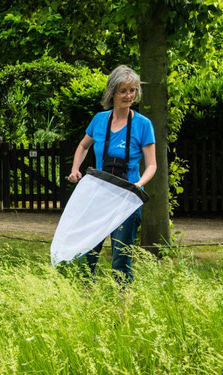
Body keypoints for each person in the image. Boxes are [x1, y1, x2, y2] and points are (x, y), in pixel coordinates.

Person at [67, 65, 157, 282]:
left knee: (121, 260)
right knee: (87, 255)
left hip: (127, 200)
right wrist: (74, 169)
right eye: (123, 91)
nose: (129, 96)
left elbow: (152, 165)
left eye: (133, 90)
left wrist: (139, 184)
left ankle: (122, 311)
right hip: (98, 198)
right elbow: (83, 146)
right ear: (112, 92)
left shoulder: (143, 125)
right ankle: (87, 302)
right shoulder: (99, 120)